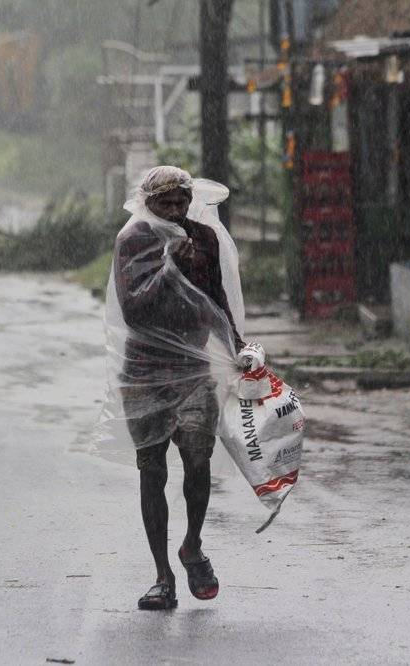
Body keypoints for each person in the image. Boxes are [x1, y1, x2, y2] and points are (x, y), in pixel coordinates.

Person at [109, 166, 246, 611]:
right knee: (152, 469)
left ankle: (192, 545)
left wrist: (238, 345)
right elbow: (134, 310)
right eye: (165, 203)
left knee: (198, 460)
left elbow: (215, 301)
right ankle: (162, 575)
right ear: (147, 203)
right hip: (145, 373)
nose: (174, 210)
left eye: (180, 202)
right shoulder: (134, 241)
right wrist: (171, 268)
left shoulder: (203, 239)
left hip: (192, 367)